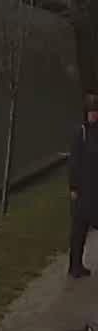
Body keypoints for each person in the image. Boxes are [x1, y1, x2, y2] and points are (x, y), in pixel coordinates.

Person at [72, 94, 98, 279]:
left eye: (96, 112)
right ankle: (75, 266)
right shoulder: (80, 133)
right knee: (79, 230)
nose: (93, 115)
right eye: (91, 112)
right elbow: (74, 161)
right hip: (83, 189)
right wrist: (73, 187)